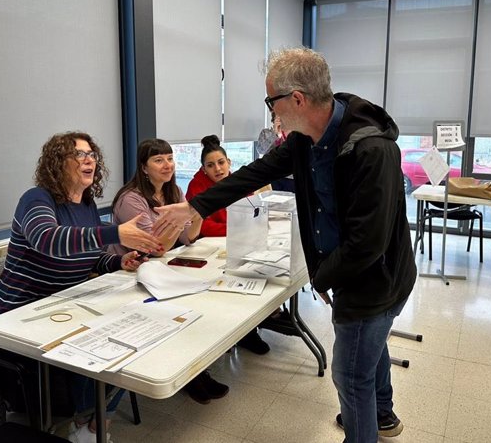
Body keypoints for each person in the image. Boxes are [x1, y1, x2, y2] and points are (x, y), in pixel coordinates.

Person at [154, 47, 417, 443]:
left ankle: (363, 431)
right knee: (370, 349)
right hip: (355, 272)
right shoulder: (306, 139)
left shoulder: (371, 149)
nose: (270, 111)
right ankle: (382, 415)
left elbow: (368, 243)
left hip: (375, 280)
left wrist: (324, 279)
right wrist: (194, 206)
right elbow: (256, 172)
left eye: (270, 100)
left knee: (349, 373)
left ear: (297, 99)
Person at [0, 131, 162, 443]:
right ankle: (86, 423)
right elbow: (48, 240)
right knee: (100, 350)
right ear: (57, 164)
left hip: (66, 306)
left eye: (92, 154)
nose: (89, 160)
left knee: (132, 341)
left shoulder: (87, 204)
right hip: (23, 314)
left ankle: (92, 426)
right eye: (78, 154)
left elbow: (88, 256)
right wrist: (114, 234)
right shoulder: (36, 199)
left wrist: (118, 263)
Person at [109, 138, 229, 405]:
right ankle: (191, 376)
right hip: (128, 278)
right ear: (143, 167)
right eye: (159, 160)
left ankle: (196, 371)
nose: (168, 165)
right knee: (184, 305)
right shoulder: (131, 199)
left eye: (170, 158)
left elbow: (188, 236)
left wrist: (194, 213)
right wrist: (184, 217)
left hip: (160, 270)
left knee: (202, 300)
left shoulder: (174, 193)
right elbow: (156, 246)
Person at [186, 135, 271, 355]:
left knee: (253, 277)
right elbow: (205, 228)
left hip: (237, 244)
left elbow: (253, 212)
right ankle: (229, 334)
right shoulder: (197, 187)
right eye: (211, 165)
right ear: (203, 169)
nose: (218, 169)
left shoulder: (237, 181)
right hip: (208, 249)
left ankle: (249, 330)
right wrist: (237, 228)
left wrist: (242, 228)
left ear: (229, 162)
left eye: (221, 163)